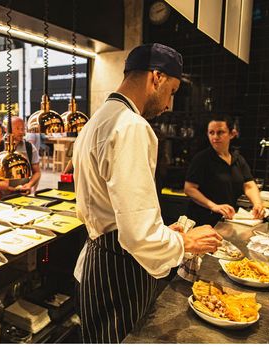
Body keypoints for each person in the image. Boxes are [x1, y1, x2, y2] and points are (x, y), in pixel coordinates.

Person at [72, 43, 222, 343]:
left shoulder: (95, 121)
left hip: (97, 266)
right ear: (157, 78)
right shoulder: (131, 126)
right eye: (173, 91)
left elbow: (118, 214)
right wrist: (185, 241)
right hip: (118, 272)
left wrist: (162, 232)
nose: (170, 104)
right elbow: (137, 234)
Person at [184, 115, 265, 226]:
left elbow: (249, 185)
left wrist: (257, 204)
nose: (215, 137)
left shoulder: (238, 159)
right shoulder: (201, 159)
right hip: (202, 221)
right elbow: (189, 189)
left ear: (232, 134)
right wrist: (214, 206)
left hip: (226, 220)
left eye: (220, 132)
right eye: (211, 132)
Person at [0, 116, 41, 195]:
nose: (21, 132)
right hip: (0, 194)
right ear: (6, 129)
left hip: (23, 193)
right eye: (17, 129)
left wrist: (29, 184)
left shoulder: (30, 148)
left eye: (23, 129)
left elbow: (37, 172)